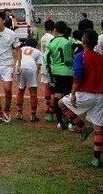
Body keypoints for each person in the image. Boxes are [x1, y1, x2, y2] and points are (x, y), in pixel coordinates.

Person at [57, 29, 103, 168]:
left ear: (83, 41)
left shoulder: (80, 56)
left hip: (85, 93)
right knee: (99, 127)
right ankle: (96, 159)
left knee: (61, 104)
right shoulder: (101, 57)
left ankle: (82, 128)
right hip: (100, 95)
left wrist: (72, 93)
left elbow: (77, 77)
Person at [46, 21, 75, 129]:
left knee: (57, 96)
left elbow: (47, 58)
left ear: (56, 30)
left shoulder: (52, 42)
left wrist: (49, 71)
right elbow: (68, 59)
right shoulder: (67, 42)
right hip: (68, 72)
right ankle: (71, 122)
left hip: (56, 72)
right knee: (68, 96)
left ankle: (59, 122)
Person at [15, 39, 42, 122]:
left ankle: (19, 114)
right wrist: (35, 78)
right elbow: (38, 66)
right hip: (31, 66)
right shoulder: (38, 51)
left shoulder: (22, 49)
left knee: (21, 89)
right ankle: (33, 115)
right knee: (33, 92)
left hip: (19, 66)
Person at [40, 19, 55, 122]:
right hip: (51, 65)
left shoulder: (43, 37)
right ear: (53, 28)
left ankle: (47, 107)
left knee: (46, 86)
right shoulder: (53, 38)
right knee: (55, 88)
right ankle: (52, 109)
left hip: (44, 65)